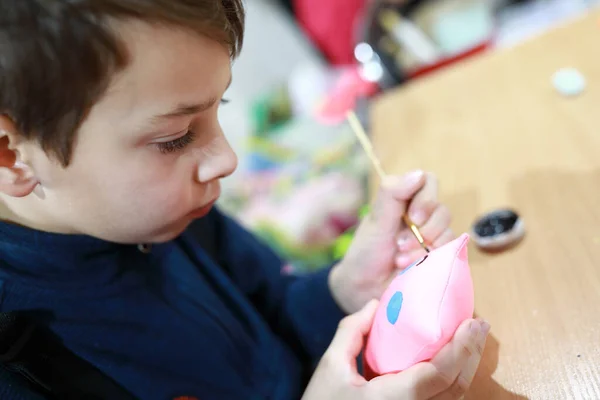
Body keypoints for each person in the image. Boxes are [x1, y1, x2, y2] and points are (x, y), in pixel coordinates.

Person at [0, 1, 489, 399]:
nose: (226, 159)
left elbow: (276, 319)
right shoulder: (21, 355)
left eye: (219, 107)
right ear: (11, 157)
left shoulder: (177, 215)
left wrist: (343, 289)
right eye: (175, 136)